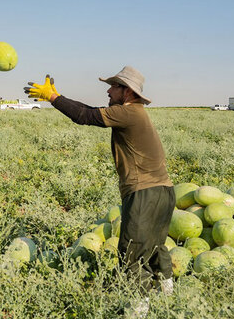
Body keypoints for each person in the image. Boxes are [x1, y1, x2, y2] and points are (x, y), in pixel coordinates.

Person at [24, 66, 174, 315]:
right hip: (164, 191)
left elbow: (84, 116)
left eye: (114, 86)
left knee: (131, 253)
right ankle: (169, 295)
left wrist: (53, 98)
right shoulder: (132, 113)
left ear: (126, 92)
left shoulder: (129, 114)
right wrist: (58, 97)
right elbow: (91, 111)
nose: (108, 90)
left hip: (144, 193)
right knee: (156, 246)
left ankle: (138, 308)